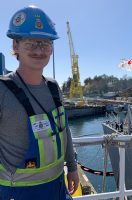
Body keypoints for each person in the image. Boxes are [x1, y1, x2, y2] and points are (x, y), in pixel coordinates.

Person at [0, 5, 79, 200]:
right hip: (17, 192)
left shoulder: (53, 87)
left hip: (58, 188)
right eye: (31, 43)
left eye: (45, 43)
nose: (39, 50)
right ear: (15, 46)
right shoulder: (2, 90)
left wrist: (72, 167)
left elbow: (64, 129)